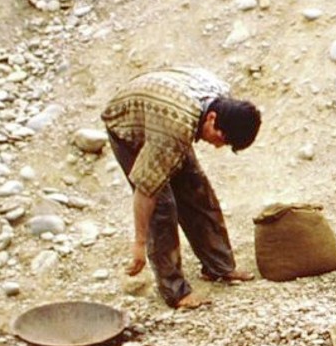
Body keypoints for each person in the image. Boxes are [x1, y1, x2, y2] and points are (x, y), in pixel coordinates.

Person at [101, 66, 260, 309]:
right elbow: (146, 189)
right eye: (222, 139)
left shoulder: (221, 97)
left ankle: (219, 266)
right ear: (212, 119)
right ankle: (175, 291)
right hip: (128, 122)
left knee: (197, 189)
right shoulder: (176, 128)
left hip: (162, 107)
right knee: (162, 207)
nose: (218, 147)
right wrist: (139, 243)